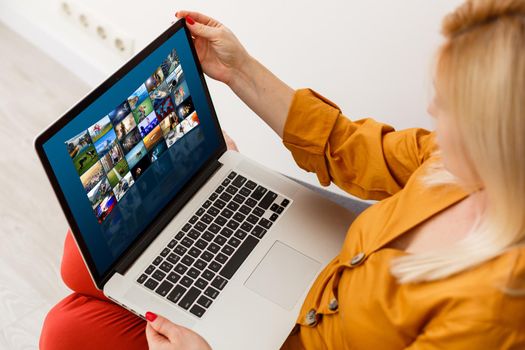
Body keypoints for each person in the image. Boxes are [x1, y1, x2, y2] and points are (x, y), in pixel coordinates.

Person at [40, 1, 525, 349]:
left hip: (300, 333)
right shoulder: (454, 166)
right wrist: (240, 69)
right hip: (320, 264)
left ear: (502, 137)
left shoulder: (496, 311)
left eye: (453, 107)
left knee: (69, 325)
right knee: (80, 258)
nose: (433, 109)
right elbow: (348, 144)